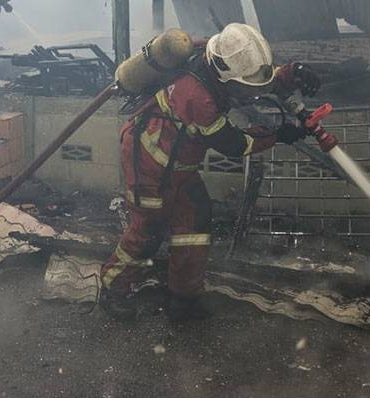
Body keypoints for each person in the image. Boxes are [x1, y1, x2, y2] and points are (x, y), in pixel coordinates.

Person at [99, 22, 327, 321]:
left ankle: (183, 298)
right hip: (148, 162)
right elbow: (234, 144)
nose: (246, 91)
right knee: (148, 230)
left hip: (179, 162)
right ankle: (113, 289)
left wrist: (289, 73)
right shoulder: (197, 98)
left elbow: (249, 79)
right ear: (224, 76)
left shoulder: (217, 59)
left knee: (194, 223)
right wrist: (277, 135)